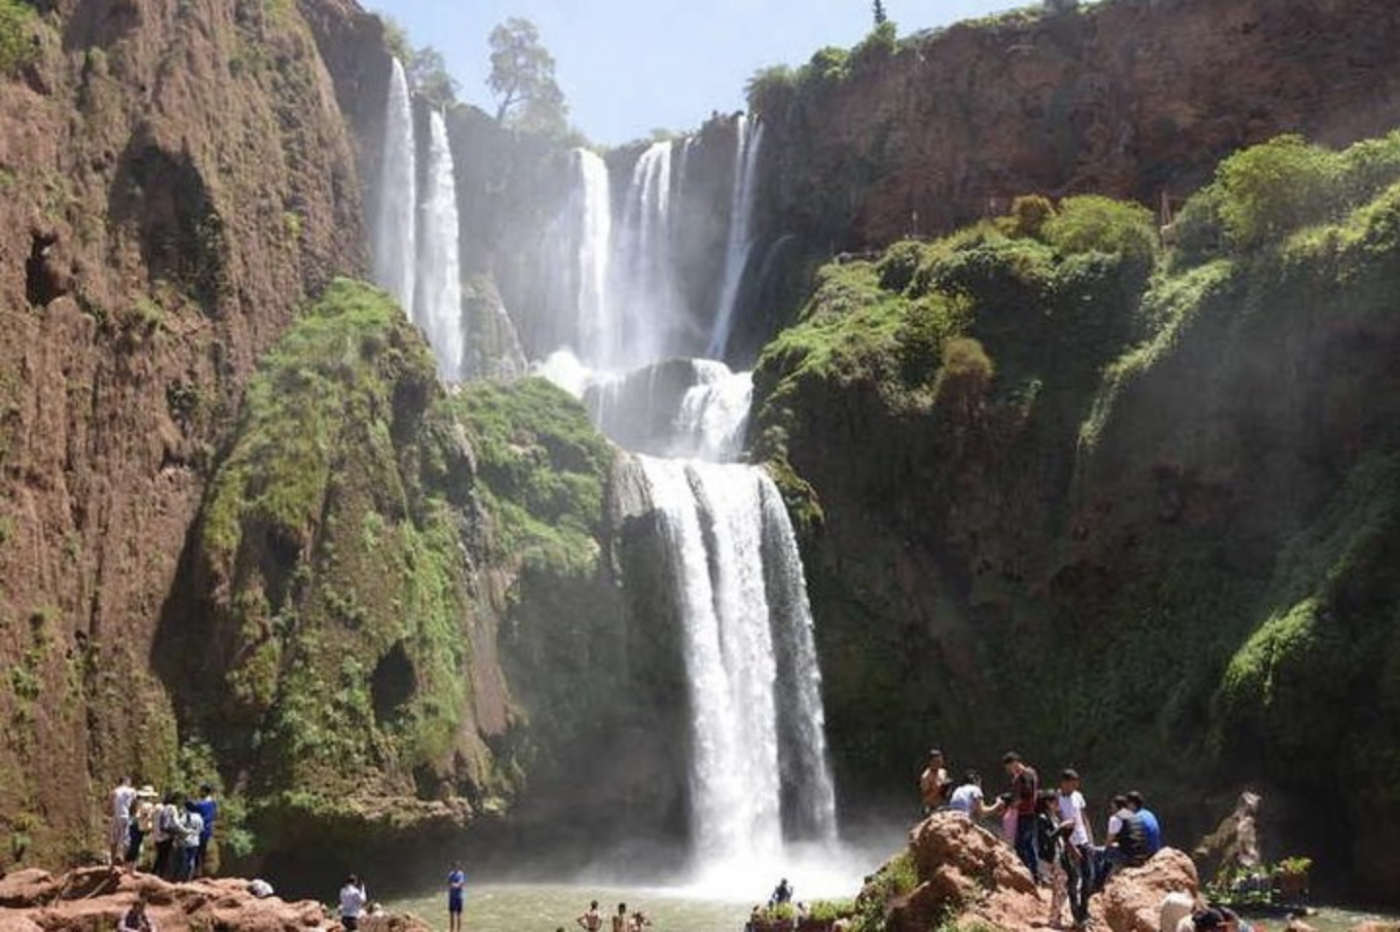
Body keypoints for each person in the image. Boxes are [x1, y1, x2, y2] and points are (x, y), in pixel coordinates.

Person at [1056, 769, 1094, 929]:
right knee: (1073, 879)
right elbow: (1060, 826)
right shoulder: (1056, 799)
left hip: (1083, 841)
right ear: (1064, 783)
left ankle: (1084, 911)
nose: (1074, 788)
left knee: (1088, 877)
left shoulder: (1078, 796)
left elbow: (1084, 818)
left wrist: (1090, 840)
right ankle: (1076, 914)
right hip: (1068, 844)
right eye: (1072, 784)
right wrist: (1071, 848)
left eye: (1076, 785)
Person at [1035, 792, 1073, 927]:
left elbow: (1060, 836)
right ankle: (1054, 920)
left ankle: (1056, 917)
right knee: (1060, 889)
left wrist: (1068, 829)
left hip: (1059, 855)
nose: (1058, 804)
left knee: (1063, 888)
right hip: (1052, 857)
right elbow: (1048, 839)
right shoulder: (1042, 818)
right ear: (1047, 803)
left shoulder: (1053, 817)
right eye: (1055, 801)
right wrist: (1062, 827)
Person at [1003, 751, 1041, 881]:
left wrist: (1011, 804)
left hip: (1026, 814)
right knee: (1028, 844)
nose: (1008, 770)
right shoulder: (1030, 773)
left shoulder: (1025, 774)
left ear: (1014, 763)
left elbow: (1026, 795)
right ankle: (1034, 874)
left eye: (1008, 767)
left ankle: (1028, 874)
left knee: (1021, 845)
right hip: (1028, 813)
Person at [125, 785, 159, 873]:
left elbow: (133, 813)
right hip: (139, 826)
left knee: (135, 846)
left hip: (134, 824)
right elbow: (145, 816)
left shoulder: (136, 801)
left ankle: (129, 867)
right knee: (135, 847)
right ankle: (131, 869)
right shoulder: (148, 805)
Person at [188, 784, 218, 877]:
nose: (199, 793)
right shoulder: (213, 804)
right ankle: (199, 873)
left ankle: (195, 873)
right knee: (202, 852)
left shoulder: (202, 804)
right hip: (206, 831)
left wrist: (188, 802)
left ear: (204, 792)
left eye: (201, 791)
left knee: (196, 852)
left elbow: (194, 809)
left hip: (199, 831)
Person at [151, 792, 183, 880]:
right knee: (165, 857)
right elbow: (176, 823)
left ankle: (153, 874)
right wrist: (180, 832)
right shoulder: (172, 808)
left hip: (156, 836)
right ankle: (161, 876)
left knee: (159, 856)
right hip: (166, 836)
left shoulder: (158, 807)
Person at [110, 776, 137, 867]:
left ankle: (112, 861)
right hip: (126, 816)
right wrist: (133, 816)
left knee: (114, 839)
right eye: (129, 782)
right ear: (126, 782)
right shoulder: (132, 791)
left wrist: (111, 813)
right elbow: (134, 805)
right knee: (126, 840)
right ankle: (125, 863)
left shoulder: (115, 791)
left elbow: (110, 803)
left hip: (116, 816)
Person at [1127, 791, 1163, 855]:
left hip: (1145, 854)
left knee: (1106, 851)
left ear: (1132, 804)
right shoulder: (1149, 813)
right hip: (1155, 851)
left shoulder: (1135, 818)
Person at [919, 749, 951, 815]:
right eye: (936, 761)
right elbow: (925, 795)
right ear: (930, 762)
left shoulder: (943, 772)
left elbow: (945, 792)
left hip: (942, 805)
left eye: (940, 761)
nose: (939, 763)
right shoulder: (926, 777)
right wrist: (938, 788)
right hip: (930, 807)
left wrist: (946, 789)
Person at [447, 861, 466, 932]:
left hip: (459, 897)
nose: (456, 868)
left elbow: (461, 883)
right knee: (451, 914)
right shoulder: (450, 874)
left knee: (459, 914)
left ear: (458, 867)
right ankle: (451, 930)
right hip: (452, 897)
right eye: (454, 867)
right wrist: (452, 885)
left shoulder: (461, 874)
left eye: (457, 867)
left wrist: (454, 885)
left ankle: (459, 930)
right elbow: (448, 883)